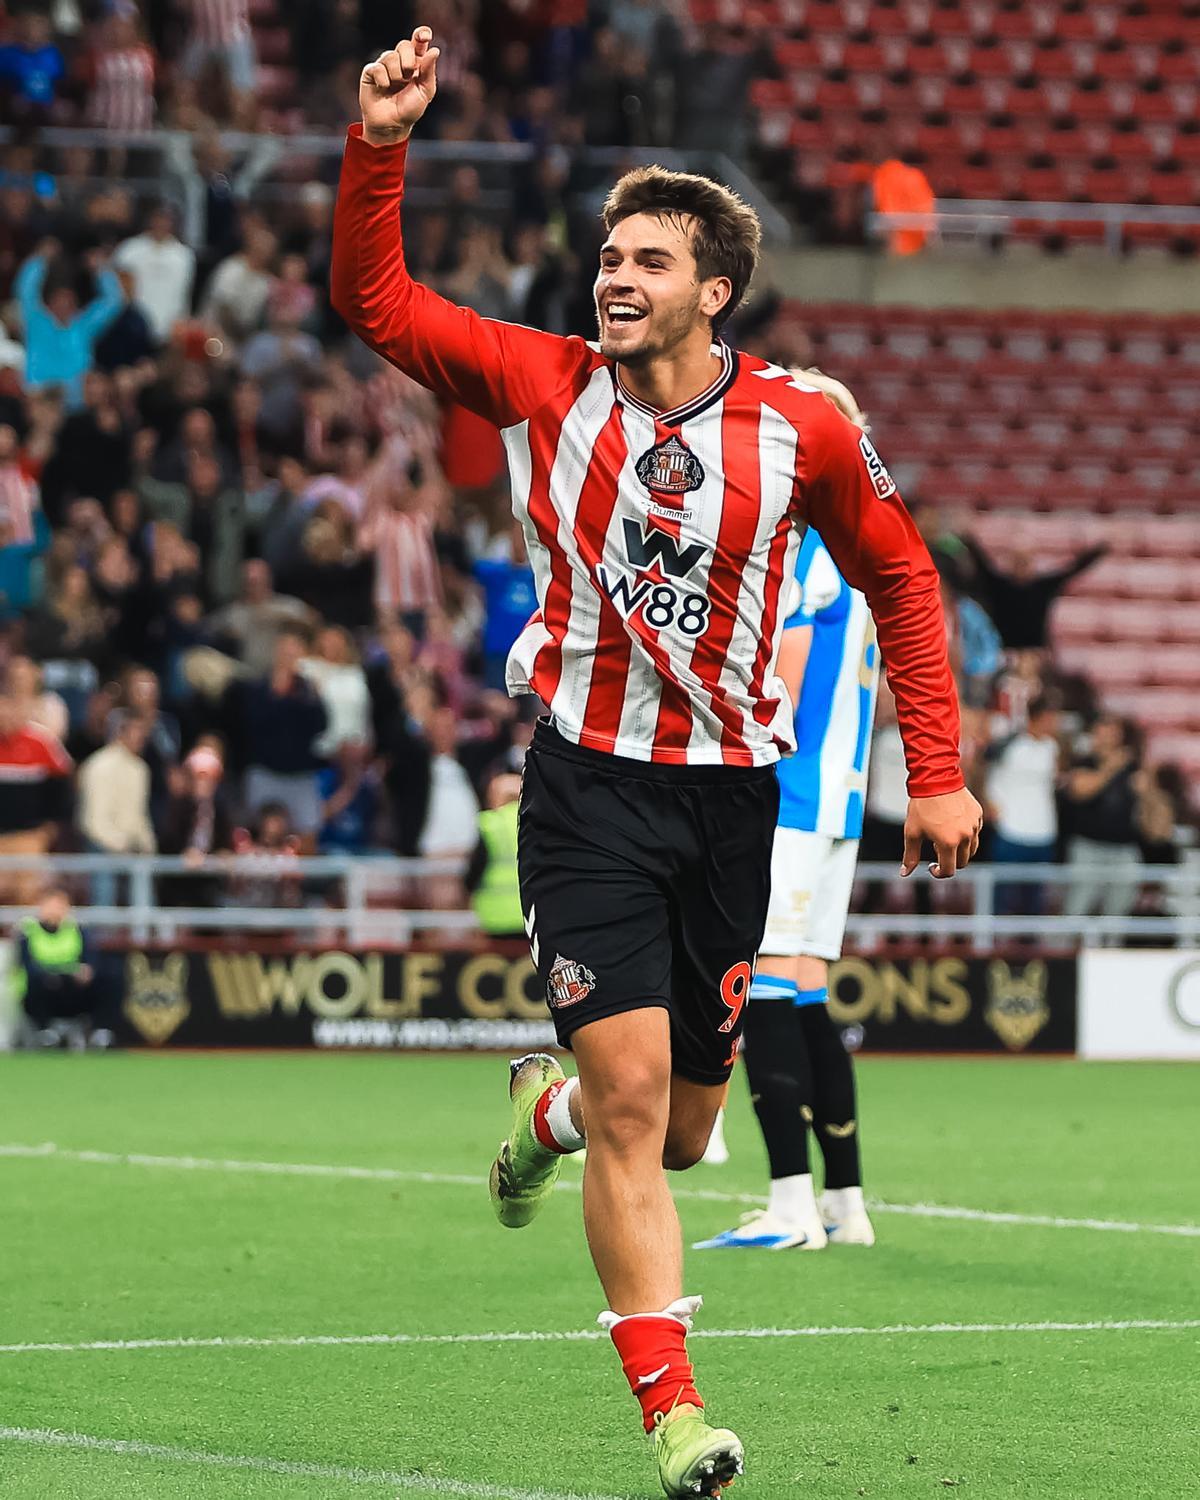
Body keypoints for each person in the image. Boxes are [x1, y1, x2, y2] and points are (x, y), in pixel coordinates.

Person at [332, 30, 980, 1496]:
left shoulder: (805, 424)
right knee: (638, 1104)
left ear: (716, 289)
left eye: (648, 261)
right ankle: (674, 1411)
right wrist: (381, 146)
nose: (614, 278)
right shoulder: (541, 383)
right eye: (609, 256)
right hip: (586, 785)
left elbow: (904, 579)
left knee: (682, 1132)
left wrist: (931, 767)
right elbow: (375, 301)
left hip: (734, 797)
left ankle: (540, 1108)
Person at [695, 373, 881, 1253]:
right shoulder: (866, 547)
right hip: (840, 797)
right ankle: (844, 1204)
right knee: (805, 990)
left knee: (762, 985)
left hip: (794, 796)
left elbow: (783, 685)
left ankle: (789, 1204)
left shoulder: (807, 550)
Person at [1061, 714, 1144, 935]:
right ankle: (1066, 959)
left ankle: (1112, 955)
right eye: (1103, 732)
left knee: (1118, 915)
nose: (1108, 738)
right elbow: (1080, 791)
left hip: (1124, 848)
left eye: (1113, 733)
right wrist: (1111, 768)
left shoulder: (1134, 767)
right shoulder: (1084, 762)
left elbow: (1147, 804)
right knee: (1076, 910)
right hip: (1088, 846)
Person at [12, 886, 117, 1049]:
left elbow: (90, 961)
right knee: (37, 981)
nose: (56, 910)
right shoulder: (28, 931)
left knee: (110, 976)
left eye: (60, 905)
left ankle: (100, 1032)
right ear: (41, 906)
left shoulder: (78, 929)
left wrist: (85, 971)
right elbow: (26, 965)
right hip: (43, 990)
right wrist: (56, 972)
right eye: (51, 905)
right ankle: (45, 1033)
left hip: (71, 989)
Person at [960, 538, 1107, 653]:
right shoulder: (999, 585)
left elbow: (1072, 570)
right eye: (1018, 561)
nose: (1022, 565)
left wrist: (1102, 548)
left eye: (1025, 561)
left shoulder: (1043, 586)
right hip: (1003, 655)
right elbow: (981, 563)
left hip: (1036, 656)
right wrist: (964, 536)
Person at [985, 697, 1061, 917]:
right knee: (1001, 897)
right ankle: (995, 948)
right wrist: (993, 805)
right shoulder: (1011, 746)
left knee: (1034, 902)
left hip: (1043, 832)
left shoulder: (1051, 748)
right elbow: (992, 777)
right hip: (1012, 830)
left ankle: (1029, 949)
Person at [466, 768, 524, 940]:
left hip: (495, 917)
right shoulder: (542, 825)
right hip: (533, 915)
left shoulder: (490, 824)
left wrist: (467, 890)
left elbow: (476, 868)